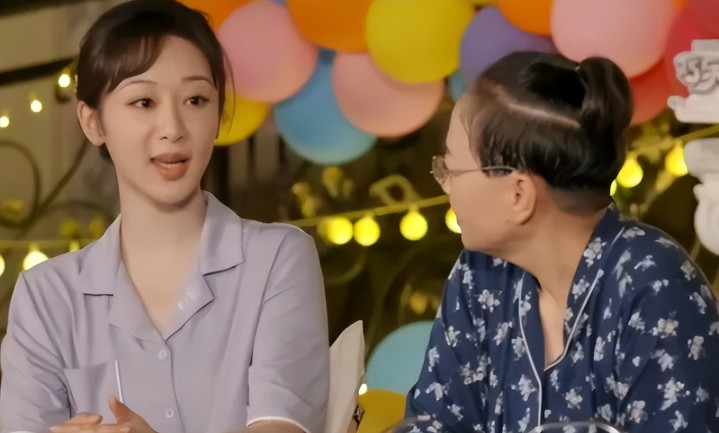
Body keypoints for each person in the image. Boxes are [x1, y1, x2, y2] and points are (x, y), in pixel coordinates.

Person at [0, 1, 329, 433]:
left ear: (218, 115)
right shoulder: (46, 297)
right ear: (93, 122)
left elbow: (283, 426)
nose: (173, 127)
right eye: (144, 102)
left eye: (196, 99)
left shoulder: (277, 259)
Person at [403, 51, 719, 432]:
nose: (445, 186)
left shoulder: (654, 285)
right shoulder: (478, 275)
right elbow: (432, 423)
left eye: (450, 169)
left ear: (518, 194)